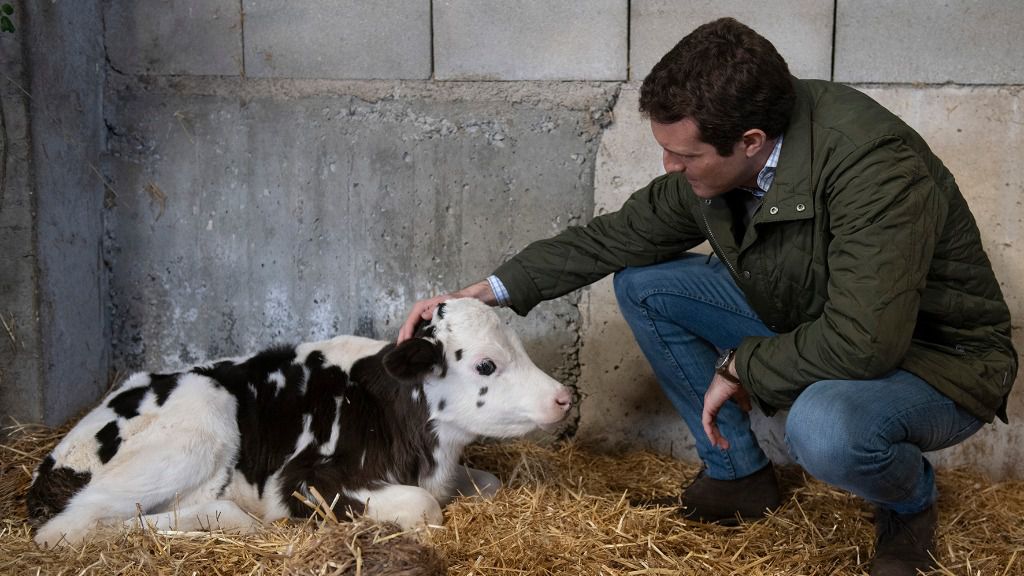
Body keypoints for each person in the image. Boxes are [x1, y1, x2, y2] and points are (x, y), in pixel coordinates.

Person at [398, 17, 1017, 576]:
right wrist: (489, 290)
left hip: (931, 360)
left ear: (749, 140)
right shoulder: (736, 161)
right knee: (645, 283)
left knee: (824, 427)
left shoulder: (874, 171)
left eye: (683, 153)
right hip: (814, 312)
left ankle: (909, 504)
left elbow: (865, 340)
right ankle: (738, 476)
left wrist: (742, 364)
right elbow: (621, 235)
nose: (669, 166)